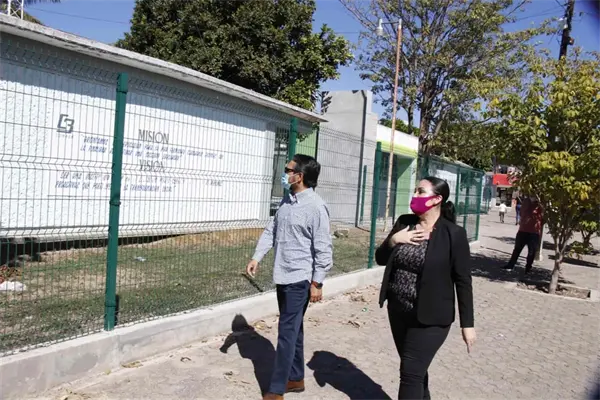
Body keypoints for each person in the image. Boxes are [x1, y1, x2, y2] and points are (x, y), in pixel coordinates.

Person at [376, 177, 476, 400]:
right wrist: (394, 240)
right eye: (415, 191)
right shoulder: (405, 223)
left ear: (436, 199)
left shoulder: (453, 234)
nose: (415, 195)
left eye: (420, 191)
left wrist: (467, 324)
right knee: (415, 371)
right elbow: (380, 258)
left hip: (431, 318)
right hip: (398, 312)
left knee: (409, 374)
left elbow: (463, 280)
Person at [246, 154, 333, 400]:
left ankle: (276, 390)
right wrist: (257, 257)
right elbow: (272, 229)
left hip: (300, 280)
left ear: (300, 176)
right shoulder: (287, 200)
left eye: (288, 170)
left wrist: (317, 282)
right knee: (294, 329)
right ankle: (295, 378)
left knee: (286, 333)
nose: (284, 173)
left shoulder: (316, 207)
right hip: (282, 275)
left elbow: (323, 248)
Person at [503, 196, 543, 273]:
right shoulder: (526, 201)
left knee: (531, 252)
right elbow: (522, 213)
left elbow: (543, 216)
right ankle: (511, 265)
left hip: (534, 232)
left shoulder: (540, 203)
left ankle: (528, 268)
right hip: (523, 230)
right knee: (517, 249)